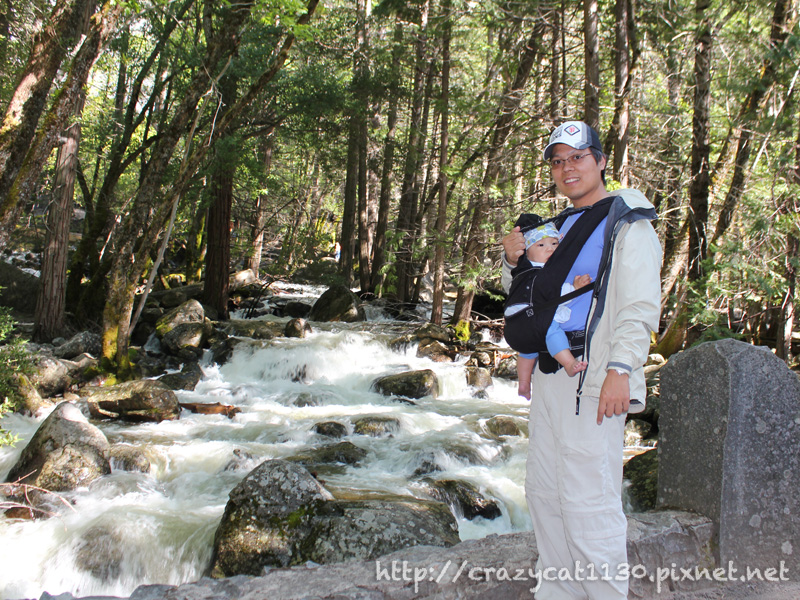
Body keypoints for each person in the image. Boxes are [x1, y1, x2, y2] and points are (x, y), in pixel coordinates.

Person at [501, 121, 662, 600]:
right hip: (554, 378)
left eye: (578, 156)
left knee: (589, 504)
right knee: (546, 497)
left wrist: (621, 371)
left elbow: (638, 306)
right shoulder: (562, 227)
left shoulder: (626, 221)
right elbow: (541, 294)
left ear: (600, 160)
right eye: (558, 160)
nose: (567, 167)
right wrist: (513, 262)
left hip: (595, 380)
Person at [505, 221, 592, 400]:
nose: (550, 249)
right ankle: (568, 363)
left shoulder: (523, 272)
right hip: (531, 315)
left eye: (554, 243)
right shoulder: (541, 272)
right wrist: (575, 288)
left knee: (527, 351)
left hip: (518, 319)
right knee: (551, 330)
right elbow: (556, 295)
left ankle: (523, 383)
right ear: (527, 251)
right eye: (541, 245)